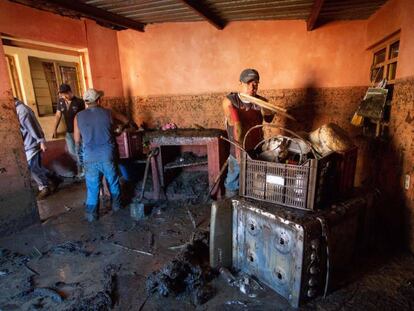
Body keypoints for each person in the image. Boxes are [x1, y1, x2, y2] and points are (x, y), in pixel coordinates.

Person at [74, 88, 129, 222]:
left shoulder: (78, 116)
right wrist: (118, 129)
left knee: (92, 187)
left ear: (86, 102)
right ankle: (117, 208)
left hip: (89, 157)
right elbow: (126, 121)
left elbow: (77, 140)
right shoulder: (109, 113)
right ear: (99, 100)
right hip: (107, 155)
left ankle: (92, 215)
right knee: (113, 181)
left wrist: (80, 159)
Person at [222, 68, 275, 197]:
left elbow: (269, 119)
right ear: (240, 83)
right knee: (233, 180)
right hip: (237, 148)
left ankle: (249, 205)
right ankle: (231, 203)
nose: (253, 86)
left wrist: (269, 109)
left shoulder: (261, 102)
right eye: (249, 82)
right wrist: (239, 151)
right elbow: (237, 126)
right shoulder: (230, 101)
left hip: (256, 147)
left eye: (256, 83)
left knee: (254, 180)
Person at [15, 98, 61, 200]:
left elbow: (33, 127)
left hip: (32, 143)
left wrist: (41, 141)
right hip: (27, 144)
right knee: (36, 167)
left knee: (32, 168)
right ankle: (54, 177)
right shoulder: (16, 110)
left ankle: (44, 187)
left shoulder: (22, 110)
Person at [52, 84, 85, 177]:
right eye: (61, 94)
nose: (63, 96)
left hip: (78, 132)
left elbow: (83, 116)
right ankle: (81, 168)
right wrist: (54, 129)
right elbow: (58, 115)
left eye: (64, 94)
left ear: (70, 92)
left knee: (80, 151)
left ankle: (82, 171)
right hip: (69, 132)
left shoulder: (79, 102)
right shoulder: (61, 101)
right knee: (72, 151)